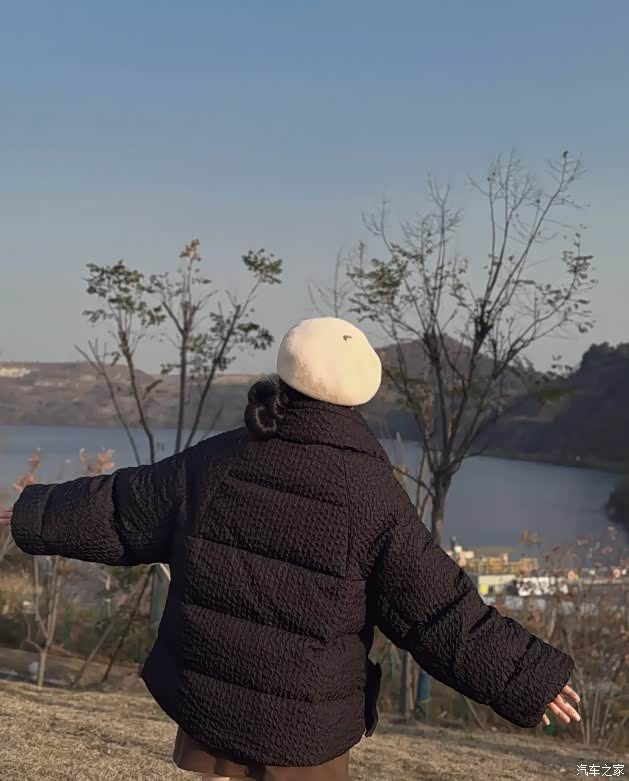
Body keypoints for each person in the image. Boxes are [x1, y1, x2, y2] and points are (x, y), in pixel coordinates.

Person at [0, 316, 580, 781]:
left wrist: (31, 510)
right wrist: (527, 676)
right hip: (304, 727)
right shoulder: (369, 491)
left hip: (210, 702)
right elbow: (437, 610)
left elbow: (119, 508)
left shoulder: (217, 460)